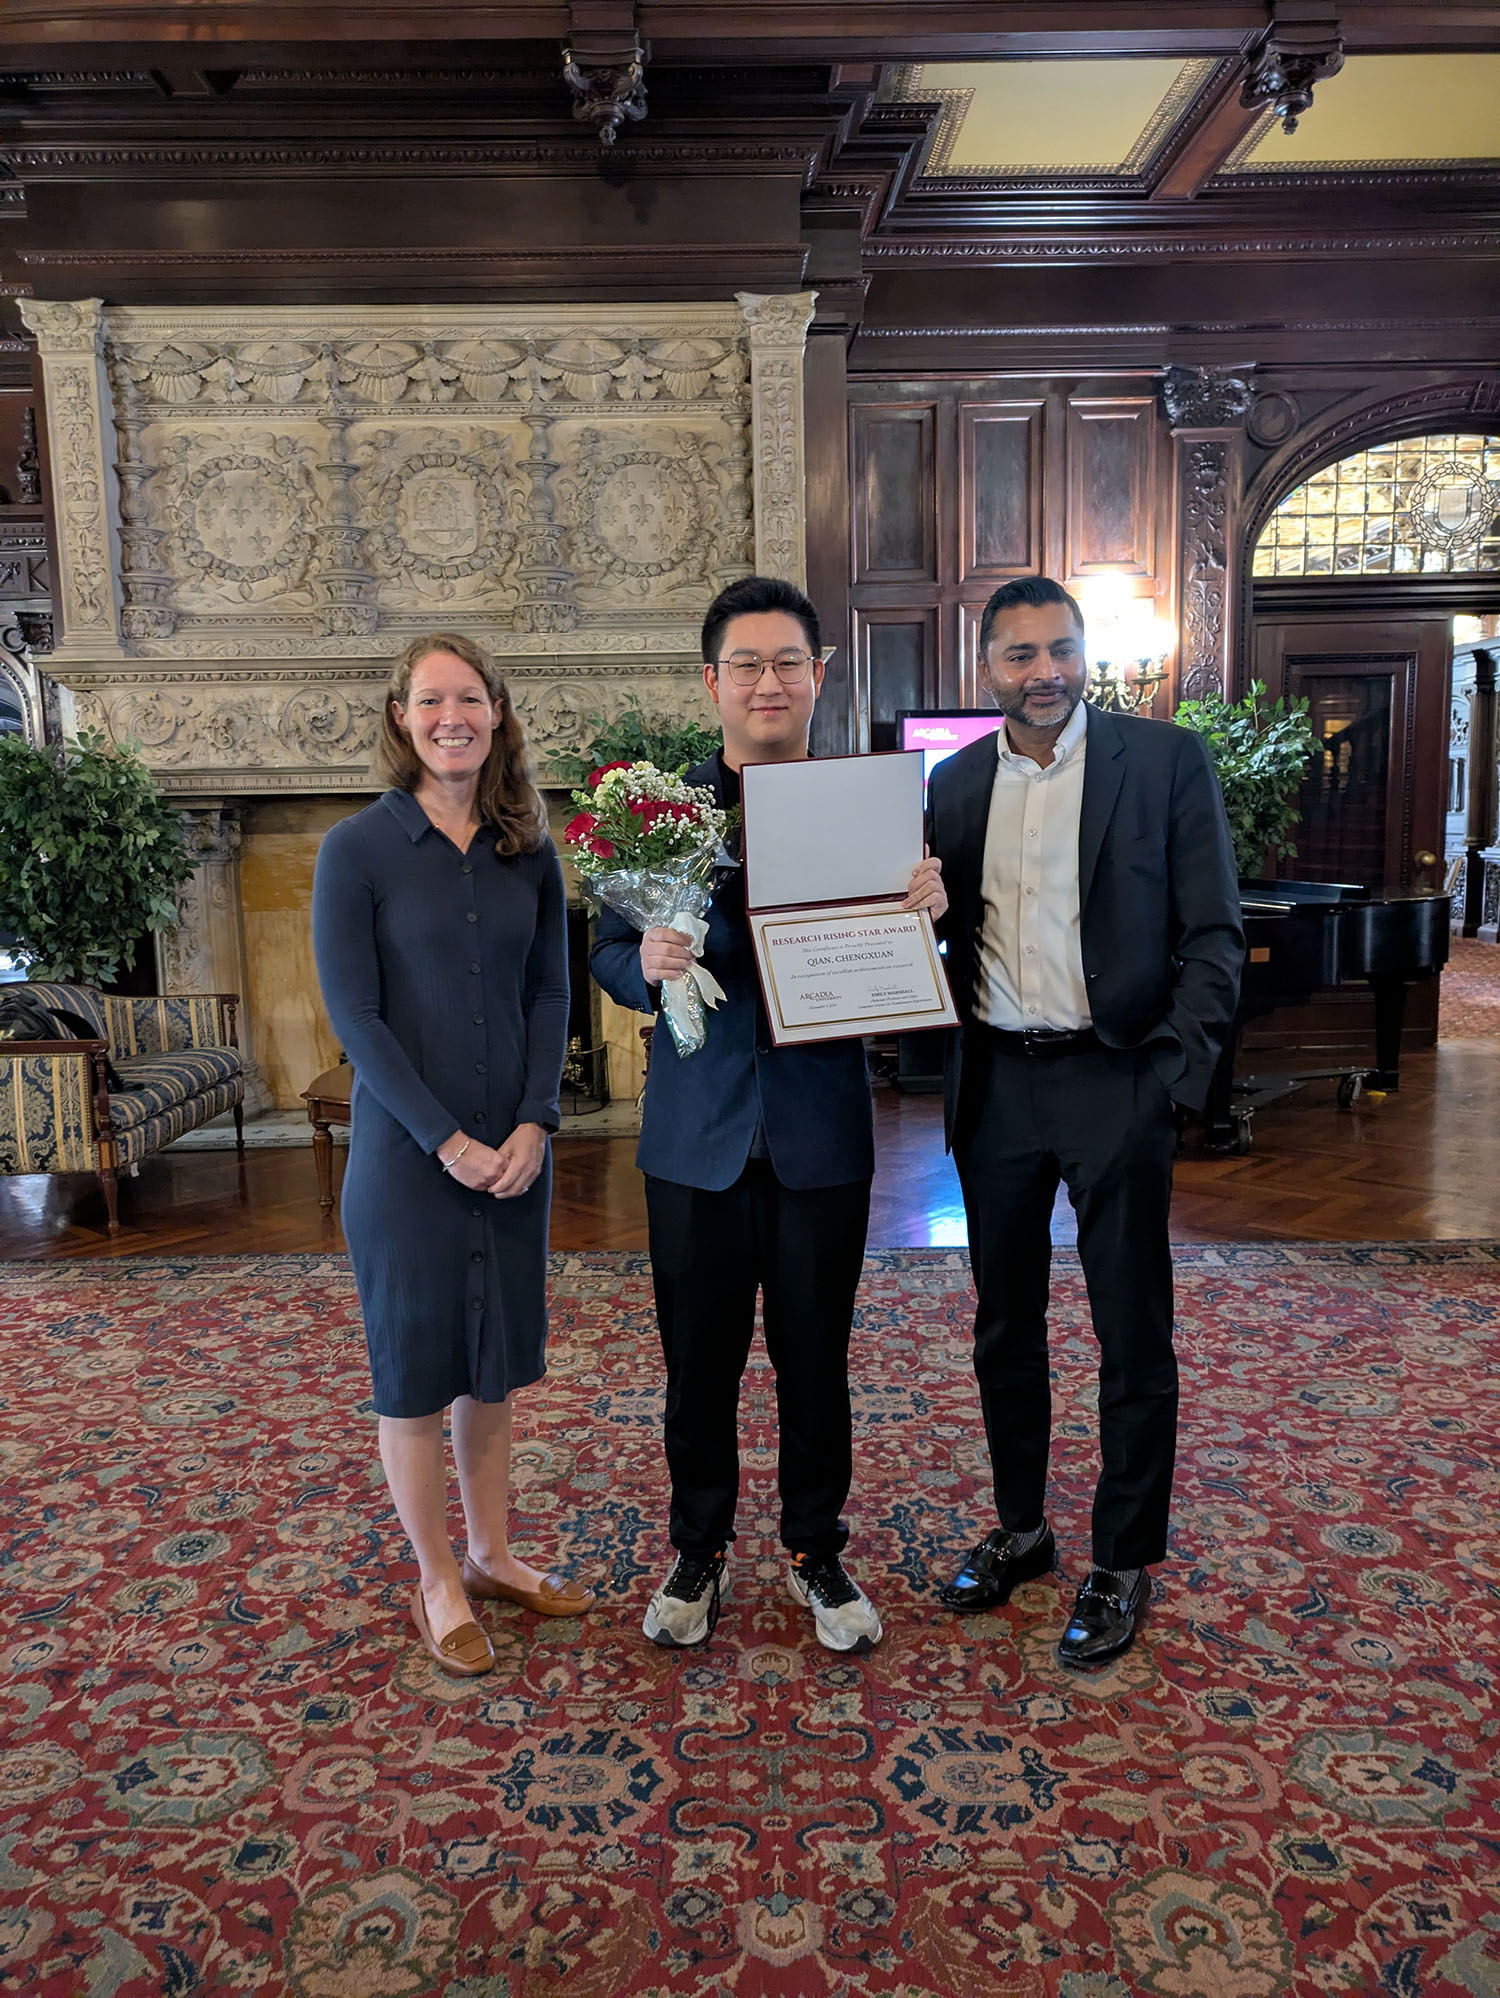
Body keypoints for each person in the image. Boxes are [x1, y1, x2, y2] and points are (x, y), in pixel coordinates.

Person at [591, 574, 946, 1654]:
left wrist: (926, 911)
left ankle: (814, 1550)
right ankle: (698, 1548)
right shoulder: (650, 813)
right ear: (712, 682)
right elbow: (602, 948)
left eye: (789, 662)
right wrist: (643, 966)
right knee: (697, 1367)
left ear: (819, 678)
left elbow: (900, 958)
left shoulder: (871, 809)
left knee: (815, 1360)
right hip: (695, 1141)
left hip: (818, 1138)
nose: (768, 681)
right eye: (745, 664)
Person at [926, 576, 1243, 1666]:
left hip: (1117, 1082)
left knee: (1130, 1327)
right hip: (999, 1082)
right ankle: (1023, 1529)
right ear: (988, 668)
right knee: (1004, 1325)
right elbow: (935, 940)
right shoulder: (955, 786)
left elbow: (1214, 934)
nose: (1045, 672)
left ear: (1086, 654)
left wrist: (1171, 1079)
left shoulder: (1162, 763)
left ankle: (1121, 1558)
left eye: (1062, 649)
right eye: (1020, 655)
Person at [313, 631, 592, 1679]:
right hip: (407, 1161)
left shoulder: (530, 844)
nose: (451, 718)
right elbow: (359, 1016)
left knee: (493, 1370)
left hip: (516, 1156)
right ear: (401, 717)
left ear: (498, 711)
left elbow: (550, 992)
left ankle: (491, 1554)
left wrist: (532, 1124)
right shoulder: (357, 850)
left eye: (469, 698)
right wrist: (450, 1142)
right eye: (431, 702)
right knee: (415, 1375)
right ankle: (434, 1576)